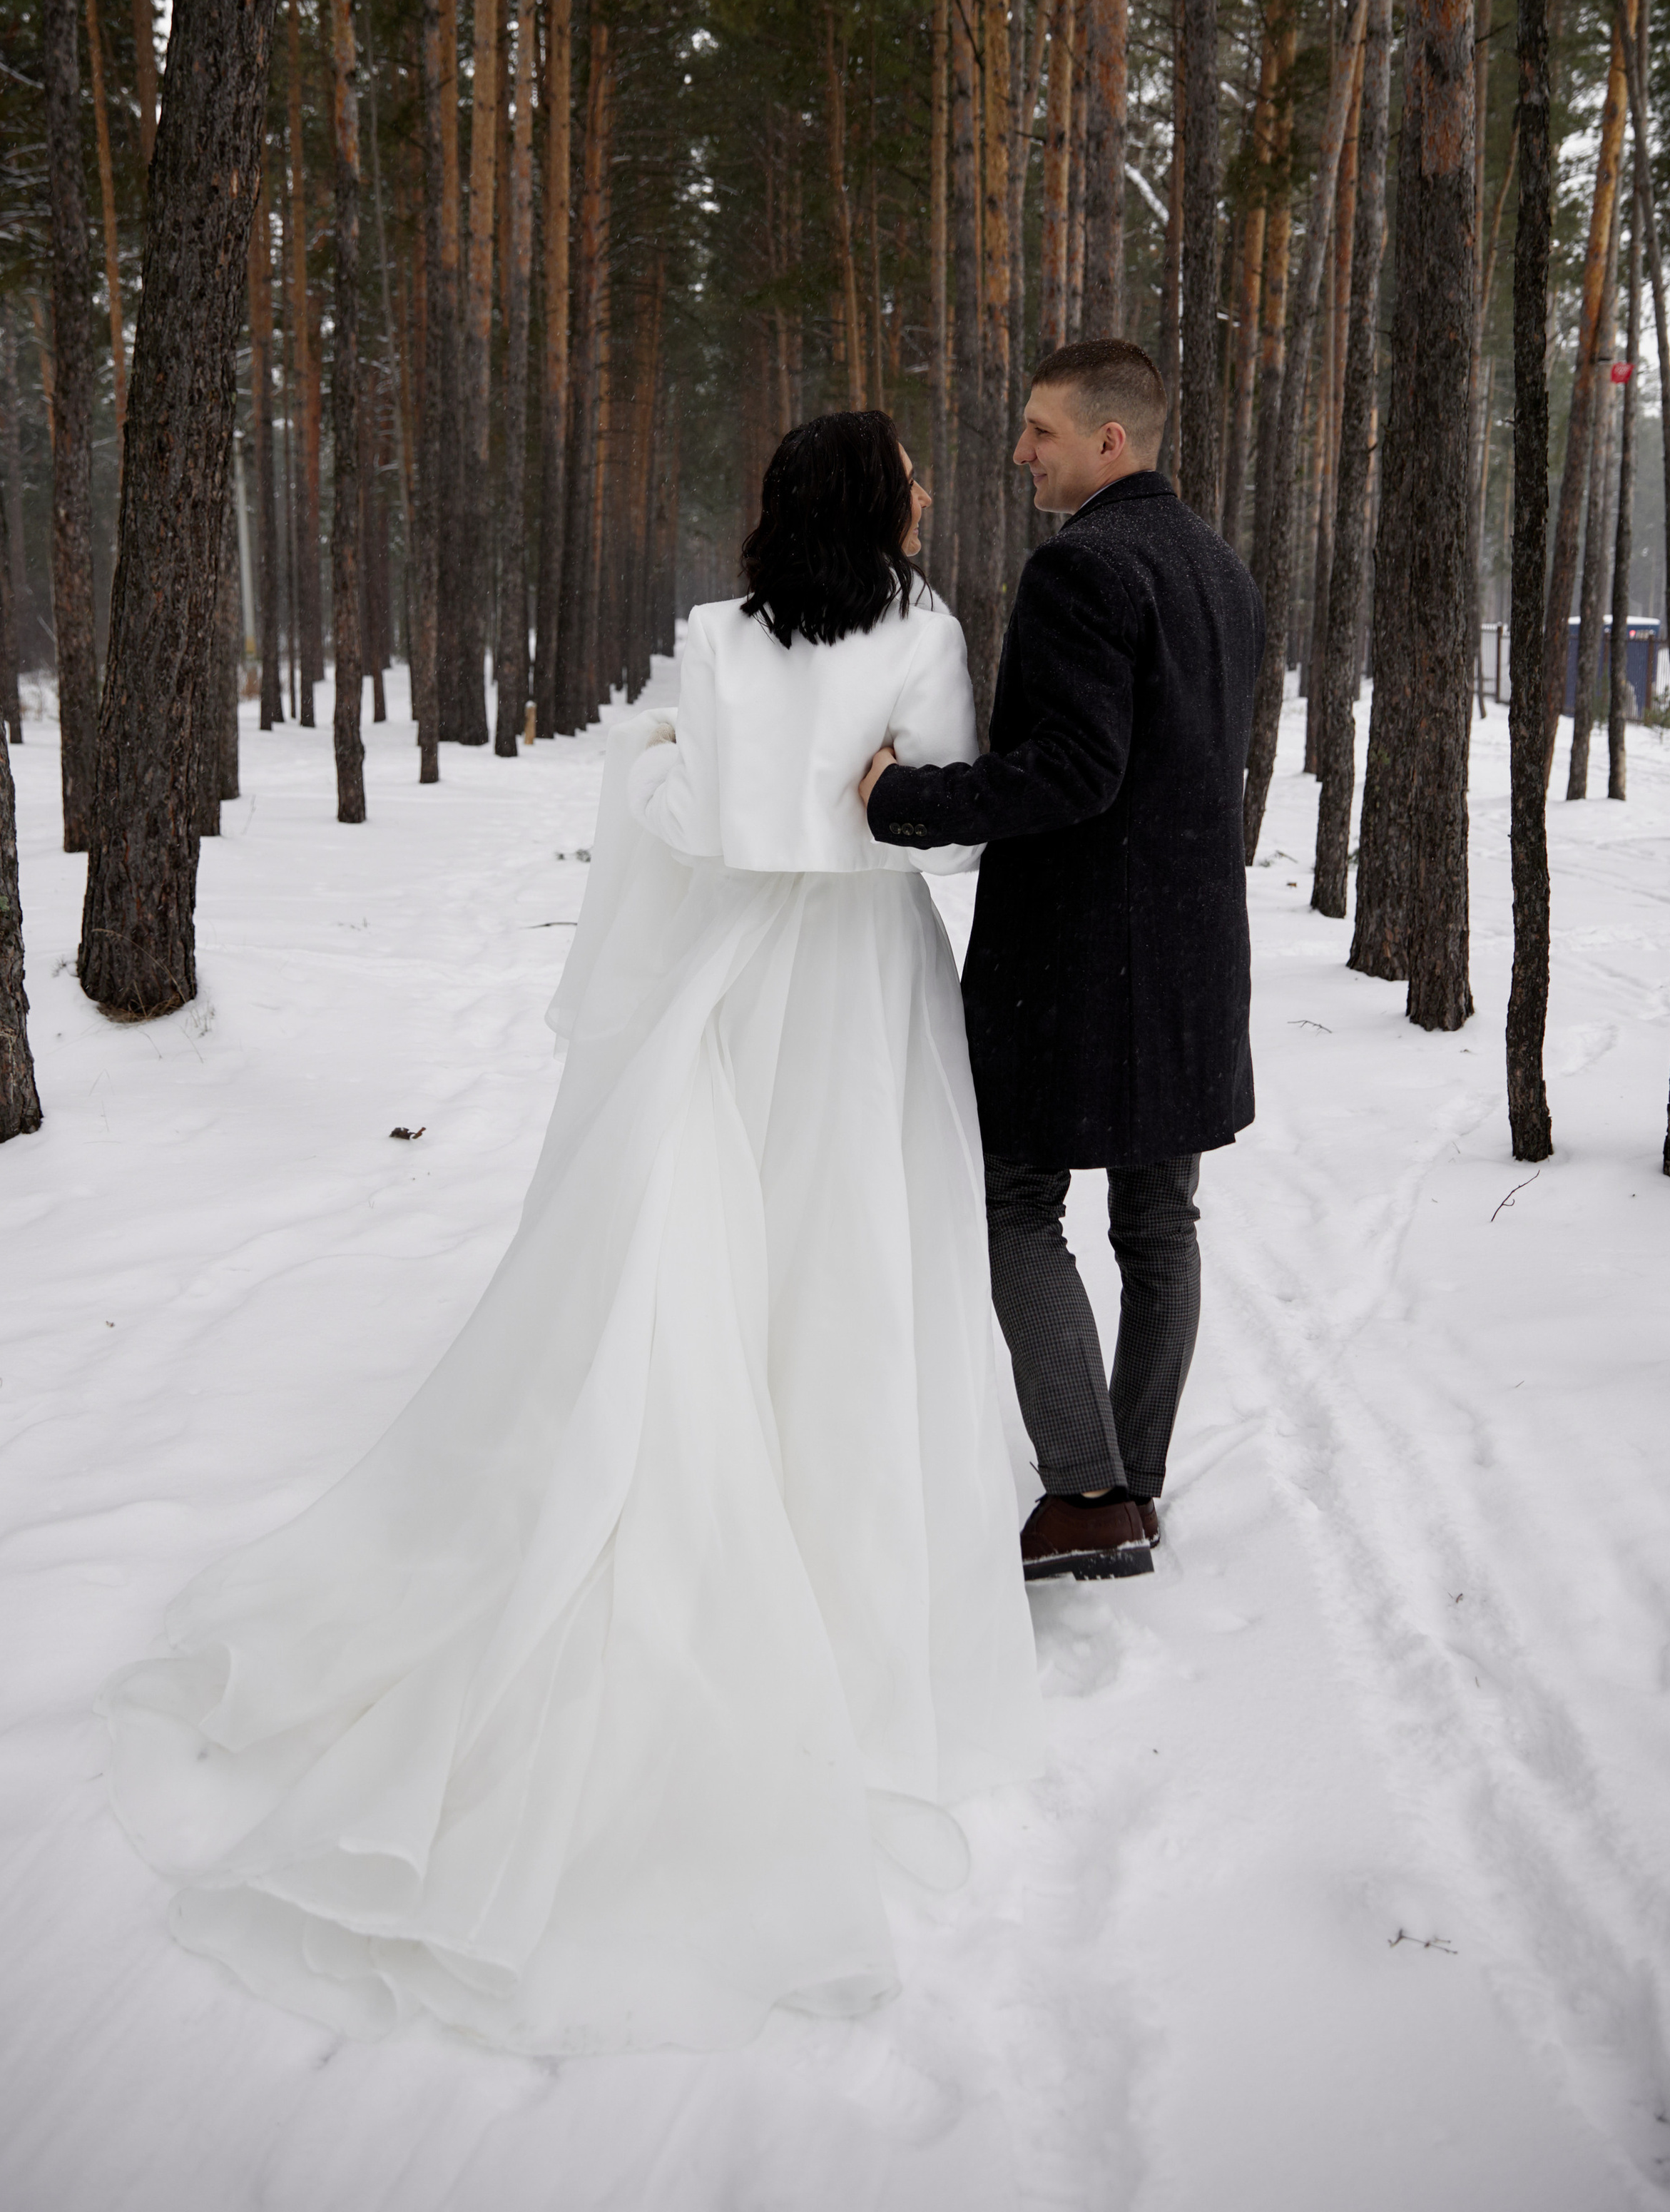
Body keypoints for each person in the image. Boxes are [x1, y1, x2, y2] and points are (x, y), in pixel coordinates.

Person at [100, 409, 1042, 2057]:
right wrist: (862, 802)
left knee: (694, 1251)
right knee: (851, 1254)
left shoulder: (713, 639)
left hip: (725, 979)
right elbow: (946, 825)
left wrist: (722, 796)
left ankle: (696, 1504)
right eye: (908, 474)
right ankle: (840, 1556)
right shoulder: (922, 629)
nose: (926, 492)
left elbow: (665, 821)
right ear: (878, 504)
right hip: (856, 985)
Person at [861, 338, 1264, 1586]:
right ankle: (1129, 1487)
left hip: (1080, 961)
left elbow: (1076, 772)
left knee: (1014, 1202)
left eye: (1040, 430)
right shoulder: (1219, 567)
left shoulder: (1081, 568)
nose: (1020, 450)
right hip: (1194, 951)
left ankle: (1087, 1490)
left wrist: (904, 798)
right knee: (1160, 1218)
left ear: (1110, 442)